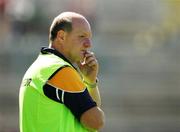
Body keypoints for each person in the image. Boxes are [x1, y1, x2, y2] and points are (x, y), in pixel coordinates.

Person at [19, 12, 105, 132]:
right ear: (61, 36)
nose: (88, 44)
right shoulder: (61, 70)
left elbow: (91, 110)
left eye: (89, 38)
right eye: (82, 36)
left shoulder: (40, 67)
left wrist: (90, 81)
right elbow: (96, 121)